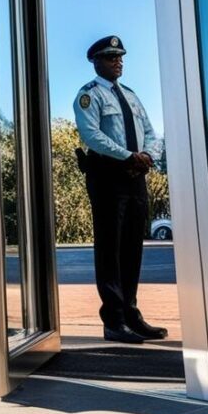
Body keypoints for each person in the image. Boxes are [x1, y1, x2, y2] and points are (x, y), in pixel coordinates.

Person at [74, 35, 168, 345]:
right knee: (110, 248)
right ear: (96, 61)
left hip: (135, 175)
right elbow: (91, 135)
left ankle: (131, 314)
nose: (119, 61)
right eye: (111, 57)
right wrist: (129, 156)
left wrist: (148, 156)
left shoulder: (130, 95)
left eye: (120, 57)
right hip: (108, 175)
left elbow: (153, 133)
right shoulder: (90, 95)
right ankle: (113, 320)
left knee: (132, 247)